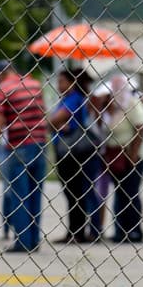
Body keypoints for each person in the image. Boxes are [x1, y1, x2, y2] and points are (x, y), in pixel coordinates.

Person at [0, 60, 47, 254]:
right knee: (35, 194)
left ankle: (23, 241)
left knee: (19, 196)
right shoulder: (34, 84)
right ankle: (33, 239)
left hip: (18, 145)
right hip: (39, 144)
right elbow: (43, 113)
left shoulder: (3, 89)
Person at [50, 68, 102, 244]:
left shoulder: (74, 99)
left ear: (72, 83)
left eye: (63, 81)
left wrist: (52, 123)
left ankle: (78, 231)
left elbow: (56, 120)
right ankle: (74, 230)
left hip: (72, 151)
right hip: (67, 149)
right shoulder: (68, 99)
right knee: (72, 192)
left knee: (75, 191)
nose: (59, 85)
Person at [98, 72, 143, 244]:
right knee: (120, 194)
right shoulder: (110, 107)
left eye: (119, 87)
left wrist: (133, 154)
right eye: (114, 87)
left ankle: (134, 230)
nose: (116, 90)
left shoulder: (132, 104)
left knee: (131, 192)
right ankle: (120, 230)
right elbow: (101, 128)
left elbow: (141, 127)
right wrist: (104, 109)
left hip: (131, 155)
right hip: (114, 155)